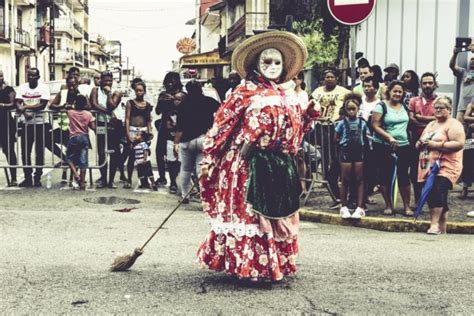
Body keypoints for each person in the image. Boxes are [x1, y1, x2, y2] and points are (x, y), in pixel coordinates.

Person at [197, 31, 320, 281]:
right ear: (256, 64)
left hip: (279, 163)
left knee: (276, 215)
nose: (272, 67)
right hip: (247, 164)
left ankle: (274, 264)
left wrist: (307, 115)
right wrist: (210, 157)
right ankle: (252, 266)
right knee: (253, 216)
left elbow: (294, 131)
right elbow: (222, 126)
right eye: (267, 62)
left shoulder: (288, 95)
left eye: (277, 62)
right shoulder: (243, 92)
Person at [416, 96, 465, 234]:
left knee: (437, 190)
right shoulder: (431, 124)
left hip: (447, 165)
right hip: (427, 166)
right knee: (434, 194)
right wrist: (419, 144)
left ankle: (434, 224)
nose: (437, 110)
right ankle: (442, 227)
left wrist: (435, 145)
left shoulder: (454, 124)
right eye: (436, 107)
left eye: (441, 107)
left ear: (449, 109)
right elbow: (420, 141)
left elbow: (459, 144)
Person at [173, 80, 220, 203]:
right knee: (201, 169)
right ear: (200, 89)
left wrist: (176, 143)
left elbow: (179, 127)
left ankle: (184, 196)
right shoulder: (210, 102)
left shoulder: (183, 105)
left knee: (185, 169)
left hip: (186, 141)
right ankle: (204, 197)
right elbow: (222, 112)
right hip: (203, 139)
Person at [371, 80, 412, 216]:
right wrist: (389, 137)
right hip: (384, 146)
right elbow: (375, 125)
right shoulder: (381, 106)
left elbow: (410, 122)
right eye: (395, 91)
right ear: (389, 92)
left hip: (403, 145)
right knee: (385, 175)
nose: (397, 94)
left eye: (400, 92)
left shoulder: (404, 107)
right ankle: (388, 205)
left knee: (404, 176)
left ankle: (407, 206)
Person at [310, 68, 350, 208]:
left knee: (337, 160)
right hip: (320, 127)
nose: (329, 79)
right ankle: (336, 195)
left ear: (337, 79)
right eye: (327, 77)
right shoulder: (317, 92)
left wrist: (340, 118)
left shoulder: (344, 92)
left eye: (332, 77)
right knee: (326, 161)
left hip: (336, 127)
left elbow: (349, 107)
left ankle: (344, 196)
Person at [335, 93, 369, 219]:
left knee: (360, 179)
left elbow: (366, 137)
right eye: (349, 109)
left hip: (359, 152)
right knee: (345, 179)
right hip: (346, 151)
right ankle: (343, 206)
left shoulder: (362, 123)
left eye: (354, 109)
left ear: (358, 109)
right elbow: (336, 137)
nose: (351, 111)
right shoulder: (342, 123)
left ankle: (360, 207)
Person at [15, 68, 51, 187]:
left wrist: (25, 108)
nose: (31, 78)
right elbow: (17, 102)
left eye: (33, 76)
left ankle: (37, 177)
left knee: (39, 152)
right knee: (25, 152)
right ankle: (27, 177)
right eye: (29, 75)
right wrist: (25, 113)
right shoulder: (22, 87)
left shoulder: (44, 88)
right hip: (26, 124)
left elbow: (42, 104)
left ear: (38, 77)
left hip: (41, 124)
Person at [408, 72, 437, 208]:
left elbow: (441, 119)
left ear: (435, 84)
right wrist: (430, 121)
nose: (427, 85)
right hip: (416, 142)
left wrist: (422, 118)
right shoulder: (414, 101)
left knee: (433, 172)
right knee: (415, 172)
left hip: (434, 143)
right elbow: (412, 120)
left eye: (430, 83)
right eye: (424, 83)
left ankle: (432, 200)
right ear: (420, 84)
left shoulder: (439, 101)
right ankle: (417, 199)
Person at [90, 71, 122, 188]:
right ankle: (103, 178)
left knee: (113, 152)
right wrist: (109, 113)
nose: (107, 83)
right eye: (105, 80)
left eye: (110, 81)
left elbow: (111, 105)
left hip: (114, 125)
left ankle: (111, 180)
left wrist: (109, 93)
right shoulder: (95, 90)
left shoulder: (117, 93)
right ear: (101, 80)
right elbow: (94, 104)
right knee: (102, 152)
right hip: (101, 123)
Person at [155, 72, 186, 187]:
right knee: (159, 152)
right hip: (164, 126)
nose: (170, 84)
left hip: (179, 127)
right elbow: (158, 111)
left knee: (176, 154)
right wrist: (164, 100)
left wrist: (175, 100)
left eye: (172, 81)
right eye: (168, 82)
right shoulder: (163, 95)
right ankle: (162, 177)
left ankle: (174, 180)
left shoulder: (182, 95)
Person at [124, 81, 153, 189]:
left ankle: (144, 180)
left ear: (144, 91)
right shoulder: (130, 103)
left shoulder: (148, 105)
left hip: (144, 132)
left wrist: (149, 132)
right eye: (137, 90)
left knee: (144, 157)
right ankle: (129, 179)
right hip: (132, 130)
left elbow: (149, 120)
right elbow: (127, 119)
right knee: (131, 157)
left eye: (141, 90)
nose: (138, 92)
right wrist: (128, 134)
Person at [65, 95, 96, 190]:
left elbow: (66, 107)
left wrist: (69, 106)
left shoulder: (71, 113)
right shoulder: (88, 114)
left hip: (73, 137)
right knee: (83, 161)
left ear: (75, 103)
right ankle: (82, 182)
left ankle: (76, 174)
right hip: (84, 137)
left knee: (69, 158)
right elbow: (93, 127)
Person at [0, 70, 18, 186]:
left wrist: (2, 105)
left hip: (6, 123)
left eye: (1, 75)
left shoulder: (8, 89)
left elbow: (13, 103)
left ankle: (14, 178)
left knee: (9, 150)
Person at [449, 44, 474, 124]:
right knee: (459, 131)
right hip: (462, 108)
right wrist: (455, 53)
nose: (472, 60)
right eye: (471, 59)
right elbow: (452, 66)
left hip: (473, 107)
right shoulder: (464, 72)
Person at [461, 101, 474, 199]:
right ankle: (464, 188)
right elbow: (465, 117)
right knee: (467, 161)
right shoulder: (471, 104)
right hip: (471, 137)